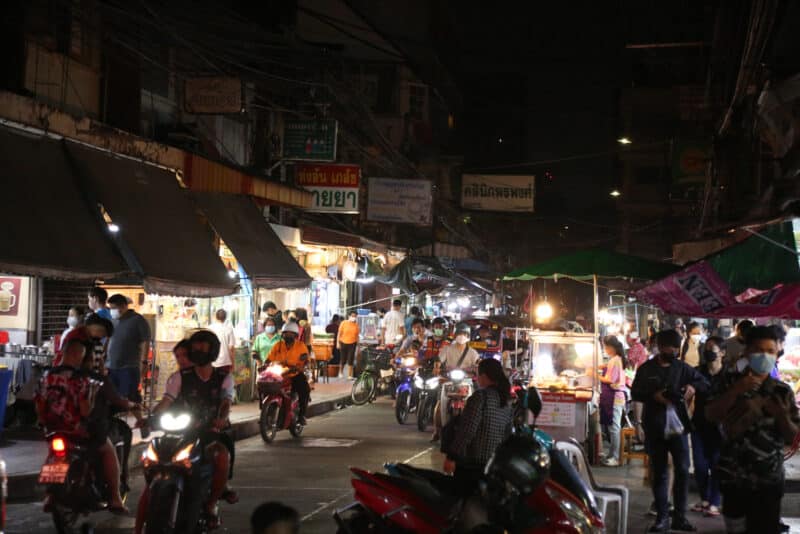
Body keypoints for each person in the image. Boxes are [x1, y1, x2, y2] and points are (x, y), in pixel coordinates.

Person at [706, 326, 800, 534]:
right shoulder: (727, 382)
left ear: (777, 354)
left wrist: (781, 415)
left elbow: (794, 438)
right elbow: (710, 415)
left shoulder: (782, 391)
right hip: (734, 477)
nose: (765, 356)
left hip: (769, 479)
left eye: (770, 351)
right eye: (759, 350)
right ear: (747, 352)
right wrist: (736, 391)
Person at [36, 330, 136, 513]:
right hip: (80, 431)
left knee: (53, 453)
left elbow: (40, 405)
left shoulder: (46, 376)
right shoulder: (83, 380)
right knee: (107, 450)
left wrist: (45, 422)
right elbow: (85, 410)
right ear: (79, 355)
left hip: (53, 428)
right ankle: (115, 498)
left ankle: (50, 495)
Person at [146, 330, 236, 529]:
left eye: (202, 349)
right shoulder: (180, 377)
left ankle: (211, 503)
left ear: (212, 351)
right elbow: (166, 401)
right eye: (194, 349)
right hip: (182, 430)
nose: (197, 352)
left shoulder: (224, 377)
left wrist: (221, 419)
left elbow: (226, 403)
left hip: (211, 431)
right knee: (153, 458)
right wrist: (150, 418)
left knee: (222, 456)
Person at [631, 329, 709, 533]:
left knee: (682, 470)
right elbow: (635, 392)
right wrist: (654, 396)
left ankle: (680, 517)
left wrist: (692, 387)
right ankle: (662, 517)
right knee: (659, 472)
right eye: (669, 348)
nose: (673, 351)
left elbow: (704, 382)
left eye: (676, 348)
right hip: (655, 427)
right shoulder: (647, 369)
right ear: (659, 347)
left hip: (679, 427)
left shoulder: (682, 368)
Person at [443, 358, 512, 495]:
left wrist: (452, 457)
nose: (477, 379)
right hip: (492, 465)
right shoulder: (506, 400)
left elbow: (467, 431)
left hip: (472, 463)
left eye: (478, 375)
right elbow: (507, 434)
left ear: (484, 376)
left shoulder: (480, 397)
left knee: (461, 499)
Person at [690, 336, 725, 518]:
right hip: (699, 424)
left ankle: (714, 502)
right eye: (707, 349)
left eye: (713, 349)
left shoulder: (728, 376)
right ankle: (705, 498)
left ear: (723, 353)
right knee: (700, 465)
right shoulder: (698, 372)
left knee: (717, 464)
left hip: (720, 428)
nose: (708, 352)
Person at [432, 322, 481, 442]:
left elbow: (478, 363)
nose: (461, 336)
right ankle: (437, 430)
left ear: (468, 336)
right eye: (459, 333)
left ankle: (475, 430)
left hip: (467, 381)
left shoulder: (473, 353)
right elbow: (438, 360)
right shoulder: (447, 349)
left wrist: (477, 369)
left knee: (477, 403)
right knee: (440, 402)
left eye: (464, 334)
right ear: (455, 335)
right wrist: (436, 367)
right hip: (449, 380)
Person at [107, 294, 150, 401]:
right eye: (110, 308)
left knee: (128, 397)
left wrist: (144, 361)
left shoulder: (138, 320)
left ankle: (135, 412)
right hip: (111, 367)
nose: (112, 311)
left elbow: (145, 341)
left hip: (128, 367)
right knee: (112, 398)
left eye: (114, 308)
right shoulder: (113, 321)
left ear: (123, 306)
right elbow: (109, 340)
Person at [266, 322, 311, 424]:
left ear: (295, 335)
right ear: (283, 335)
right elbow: (269, 358)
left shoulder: (300, 346)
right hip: (279, 374)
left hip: (294, 374)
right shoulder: (277, 346)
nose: (288, 335)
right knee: (265, 385)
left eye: (291, 333)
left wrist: (300, 366)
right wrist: (265, 364)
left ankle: (302, 415)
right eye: (286, 333)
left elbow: (305, 359)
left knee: (304, 390)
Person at [598, 336, 629, 466]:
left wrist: (594, 375)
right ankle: (612, 455)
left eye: (605, 347)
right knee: (613, 427)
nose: (605, 349)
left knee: (614, 428)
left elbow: (610, 379)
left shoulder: (615, 360)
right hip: (617, 396)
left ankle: (615, 458)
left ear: (611, 347)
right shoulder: (616, 359)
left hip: (615, 396)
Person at [210, 309, 237, 373]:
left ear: (215, 317)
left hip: (212, 361)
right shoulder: (229, 329)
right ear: (225, 318)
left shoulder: (210, 328)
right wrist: (233, 363)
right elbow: (231, 348)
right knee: (224, 379)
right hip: (225, 362)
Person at [337, 311, 360, 379]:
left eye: (355, 316)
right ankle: (340, 373)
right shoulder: (343, 323)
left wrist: (358, 346)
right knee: (343, 359)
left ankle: (349, 375)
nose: (354, 317)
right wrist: (337, 343)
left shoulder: (356, 325)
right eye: (352, 316)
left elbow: (357, 336)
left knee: (351, 359)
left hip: (352, 343)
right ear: (349, 316)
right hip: (343, 342)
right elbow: (339, 333)